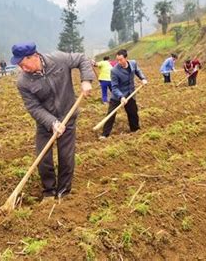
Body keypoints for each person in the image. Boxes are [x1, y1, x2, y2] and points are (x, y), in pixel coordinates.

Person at [11, 42, 94, 200]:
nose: (23, 69)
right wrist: (52, 123)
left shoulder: (58, 59)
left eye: (23, 64)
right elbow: (33, 107)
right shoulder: (23, 82)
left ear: (34, 56)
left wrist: (86, 80)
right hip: (45, 122)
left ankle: (63, 192)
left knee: (66, 157)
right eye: (19, 65)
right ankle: (48, 191)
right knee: (43, 159)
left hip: (68, 116)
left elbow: (82, 59)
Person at [100, 49, 147, 139]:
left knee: (133, 112)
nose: (119, 62)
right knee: (111, 114)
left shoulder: (133, 63)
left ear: (126, 58)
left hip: (130, 93)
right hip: (118, 95)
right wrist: (121, 97)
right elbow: (114, 87)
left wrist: (142, 78)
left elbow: (138, 71)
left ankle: (135, 130)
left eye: (121, 59)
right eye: (117, 60)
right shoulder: (114, 70)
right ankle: (104, 134)